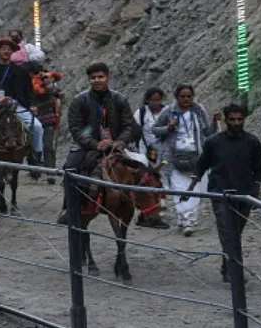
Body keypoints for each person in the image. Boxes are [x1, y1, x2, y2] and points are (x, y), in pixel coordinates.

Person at [184, 103, 261, 281]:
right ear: (226, 120)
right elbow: (201, 166)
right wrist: (190, 189)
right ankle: (235, 272)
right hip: (220, 194)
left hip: (244, 194)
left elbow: (258, 169)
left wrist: (255, 192)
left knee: (236, 232)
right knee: (228, 233)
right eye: (232, 120)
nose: (236, 123)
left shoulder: (252, 142)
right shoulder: (214, 142)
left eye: (240, 119)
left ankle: (226, 265)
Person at [56, 62, 136, 224]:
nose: (97, 80)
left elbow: (129, 125)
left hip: (116, 143)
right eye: (93, 78)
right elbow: (76, 129)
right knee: (71, 167)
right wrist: (94, 144)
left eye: (100, 77)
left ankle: (148, 210)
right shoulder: (80, 100)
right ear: (89, 80)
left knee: (142, 165)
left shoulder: (120, 99)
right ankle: (69, 208)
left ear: (108, 78)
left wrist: (120, 142)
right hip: (86, 145)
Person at [152, 83, 220, 236]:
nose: (186, 99)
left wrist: (215, 122)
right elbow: (155, 130)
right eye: (183, 96)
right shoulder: (169, 111)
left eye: (189, 96)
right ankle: (187, 220)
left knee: (194, 188)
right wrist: (168, 128)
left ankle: (187, 219)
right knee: (179, 188)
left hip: (196, 156)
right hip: (174, 157)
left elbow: (208, 133)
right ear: (177, 97)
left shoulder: (199, 110)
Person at [133, 87, 171, 229]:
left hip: (163, 151)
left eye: (158, 100)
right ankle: (150, 213)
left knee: (162, 180)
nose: (155, 103)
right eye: (152, 100)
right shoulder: (141, 113)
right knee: (148, 180)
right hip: (144, 152)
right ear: (147, 100)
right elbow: (135, 131)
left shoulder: (167, 111)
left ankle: (155, 211)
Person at [29, 62, 64, 183]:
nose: (38, 76)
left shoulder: (48, 83)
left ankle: (50, 172)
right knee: (33, 145)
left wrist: (46, 81)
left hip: (48, 118)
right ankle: (35, 170)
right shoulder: (28, 85)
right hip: (32, 119)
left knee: (48, 145)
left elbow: (59, 94)